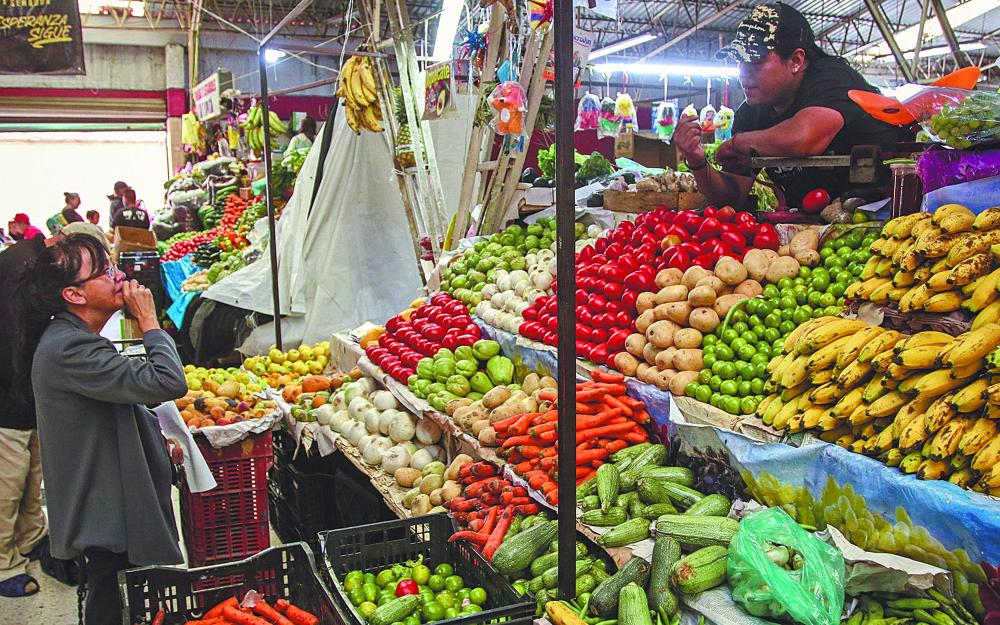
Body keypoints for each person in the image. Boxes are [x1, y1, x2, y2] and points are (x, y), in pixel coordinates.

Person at [12, 233, 186, 624]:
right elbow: (169, 380)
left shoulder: (73, 339)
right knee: (111, 596)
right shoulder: (70, 349)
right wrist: (148, 320)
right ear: (74, 295)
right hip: (104, 512)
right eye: (106, 271)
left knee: (117, 591)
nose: (120, 275)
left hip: (106, 503)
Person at [673, 3, 901, 209]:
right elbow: (733, 195)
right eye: (740, 62)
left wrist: (737, 143)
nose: (743, 72)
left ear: (796, 60)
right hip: (810, 233)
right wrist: (697, 161)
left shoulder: (832, 79)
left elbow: (803, 138)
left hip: (885, 226)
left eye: (755, 61)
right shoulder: (751, 115)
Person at [0, 226, 71, 598]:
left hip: (26, 393)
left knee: (31, 473)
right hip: (8, 394)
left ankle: (29, 537)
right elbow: (11, 340)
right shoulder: (19, 269)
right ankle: (3, 562)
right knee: (7, 481)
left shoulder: (39, 264)